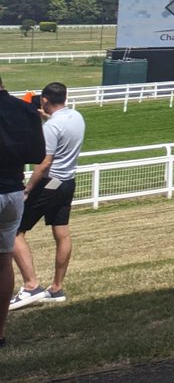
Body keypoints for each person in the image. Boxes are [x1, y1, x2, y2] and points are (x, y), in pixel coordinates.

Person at [9, 82, 85, 310]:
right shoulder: (76, 116)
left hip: (49, 183)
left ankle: (31, 286)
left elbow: (44, 163)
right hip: (67, 182)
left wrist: (28, 189)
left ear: (43, 100)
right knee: (61, 233)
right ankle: (56, 288)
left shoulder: (51, 127)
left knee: (14, 231)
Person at [0, 75, 46, 346]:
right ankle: (1, 333)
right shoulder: (24, 109)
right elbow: (37, 154)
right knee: (4, 262)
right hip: (13, 194)